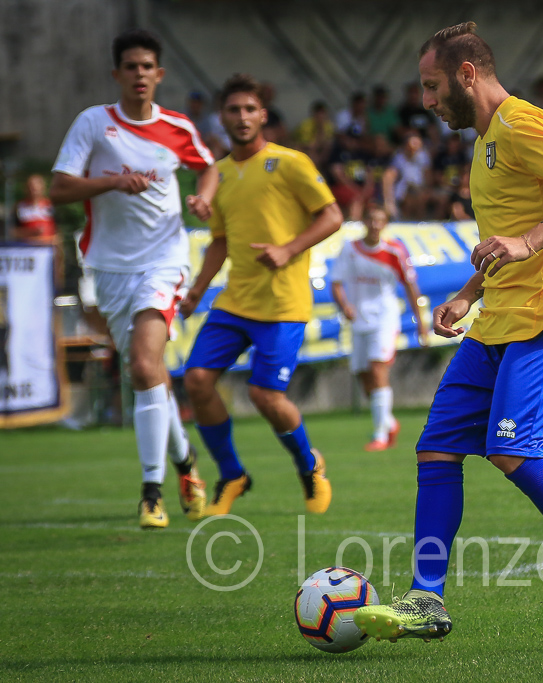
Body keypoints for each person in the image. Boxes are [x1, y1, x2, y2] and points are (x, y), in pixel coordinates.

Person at [353, 22, 543, 645]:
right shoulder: (484, 145)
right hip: (496, 320)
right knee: (436, 449)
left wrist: (528, 242)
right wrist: (468, 292)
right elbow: (509, 237)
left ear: (467, 75)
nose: (426, 101)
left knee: (512, 448)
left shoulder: (522, 124)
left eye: (432, 87)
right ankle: (426, 599)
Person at [49, 29, 216, 529]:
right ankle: (186, 463)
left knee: (145, 365)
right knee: (147, 374)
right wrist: (112, 182)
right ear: (116, 74)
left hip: (164, 260)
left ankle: (150, 494)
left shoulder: (177, 127)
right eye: (131, 66)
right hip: (109, 267)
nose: (140, 74)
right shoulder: (93, 123)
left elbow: (208, 169)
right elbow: (60, 188)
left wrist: (203, 198)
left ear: (159, 74)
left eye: (147, 66)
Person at [179, 73, 343, 516]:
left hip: (282, 304)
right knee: (196, 380)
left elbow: (332, 215)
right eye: (233, 110)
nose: (242, 117)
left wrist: (288, 249)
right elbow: (219, 242)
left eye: (250, 109)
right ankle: (233, 474)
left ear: (263, 115)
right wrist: (196, 291)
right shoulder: (220, 174)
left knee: (265, 396)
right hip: (235, 301)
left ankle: (308, 464)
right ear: (221, 117)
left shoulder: (290, 162)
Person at [330, 205, 427, 451]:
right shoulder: (349, 248)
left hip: (384, 319)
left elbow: (411, 286)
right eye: (371, 219)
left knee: (377, 369)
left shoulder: (394, 250)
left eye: (380, 220)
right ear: (364, 221)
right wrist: (345, 306)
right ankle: (389, 422)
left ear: (385, 224)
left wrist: (421, 323)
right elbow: (336, 283)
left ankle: (380, 435)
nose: (375, 225)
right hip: (358, 320)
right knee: (364, 378)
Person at [14, 174, 58, 244]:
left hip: (48, 246)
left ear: (43, 187)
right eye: (31, 187)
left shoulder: (50, 205)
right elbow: (12, 232)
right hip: (27, 247)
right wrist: (31, 232)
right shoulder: (20, 207)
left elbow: (58, 231)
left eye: (36, 187)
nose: (33, 189)